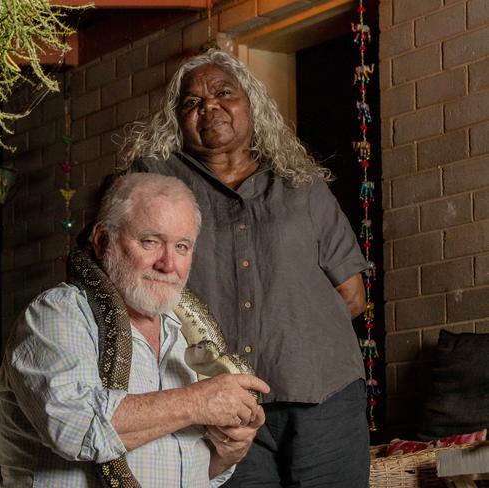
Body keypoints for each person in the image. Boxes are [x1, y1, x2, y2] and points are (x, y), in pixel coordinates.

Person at [119, 48, 371, 487]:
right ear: (178, 119)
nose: (209, 107)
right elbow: (125, 278)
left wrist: (292, 341)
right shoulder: (155, 185)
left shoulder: (301, 184)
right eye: (192, 102)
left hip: (323, 393)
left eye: (223, 93)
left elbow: (351, 295)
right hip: (217, 406)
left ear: (250, 103)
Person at [0, 172, 270, 487]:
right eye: (150, 242)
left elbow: (189, 469)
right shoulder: (58, 313)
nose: (168, 264)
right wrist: (197, 402)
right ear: (102, 241)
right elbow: (73, 428)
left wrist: (227, 451)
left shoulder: (185, 337)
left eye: (182, 247)